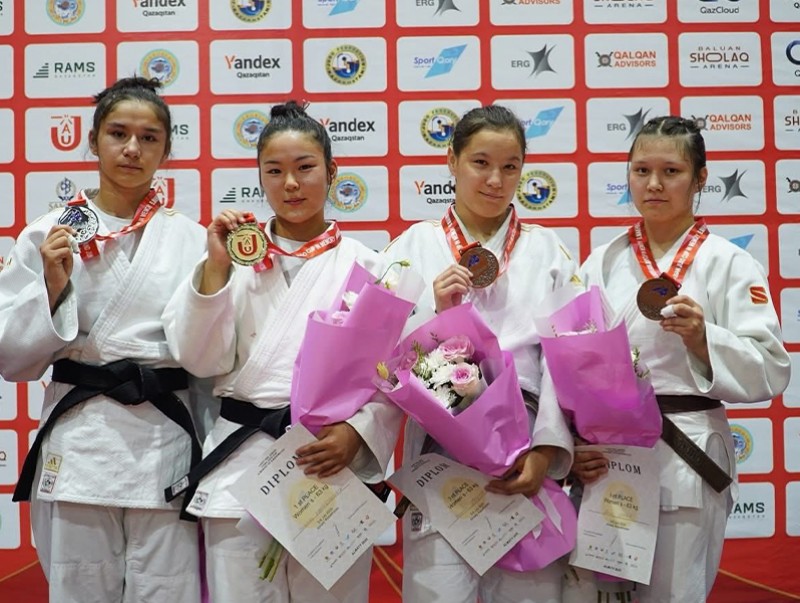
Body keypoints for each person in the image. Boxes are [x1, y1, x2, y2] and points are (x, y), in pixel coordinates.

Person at [161, 101, 402, 603]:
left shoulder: (371, 267)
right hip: (243, 464)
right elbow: (199, 361)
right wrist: (215, 269)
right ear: (260, 178)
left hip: (329, 461)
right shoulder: (231, 260)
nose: (290, 184)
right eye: (274, 171)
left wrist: (356, 433)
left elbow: (394, 378)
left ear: (332, 172)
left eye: (305, 167)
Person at [0, 77, 207, 602]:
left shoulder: (193, 240)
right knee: (80, 588)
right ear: (92, 141)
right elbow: (12, 360)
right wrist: (50, 289)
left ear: (166, 149)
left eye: (149, 137)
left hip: (163, 439)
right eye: (118, 133)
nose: (132, 148)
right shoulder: (48, 234)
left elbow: (208, 351)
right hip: (82, 439)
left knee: (169, 590)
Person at [569, 115, 791, 602]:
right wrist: (573, 442)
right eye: (641, 170)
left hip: (685, 449)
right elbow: (572, 360)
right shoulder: (602, 261)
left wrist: (703, 338)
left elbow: (770, 368)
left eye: (671, 171)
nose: (653, 184)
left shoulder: (728, 262)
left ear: (700, 178)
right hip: (608, 455)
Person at [383, 104, 577, 603]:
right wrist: (437, 314)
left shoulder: (548, 250)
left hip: (526, 454)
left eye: (510, 166)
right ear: (452, 160)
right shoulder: (411, 247)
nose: (495, 180)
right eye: (480, 163)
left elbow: (566, 359)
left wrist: (547, 449)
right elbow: (381, 355)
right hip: (442, 451)